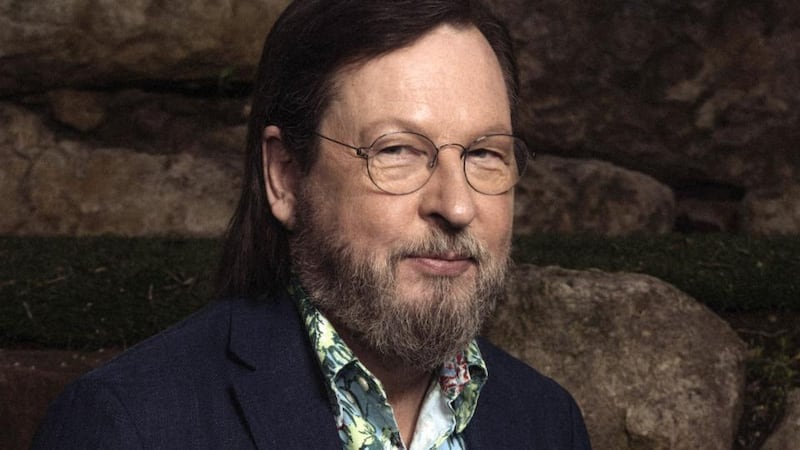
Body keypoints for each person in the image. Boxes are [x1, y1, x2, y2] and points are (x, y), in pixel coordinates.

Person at [33, 0, 592, 448]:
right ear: (286, 176)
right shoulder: (128, 425)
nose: (457, 205)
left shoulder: (547, 421)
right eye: (397, 150)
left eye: (484, 154)